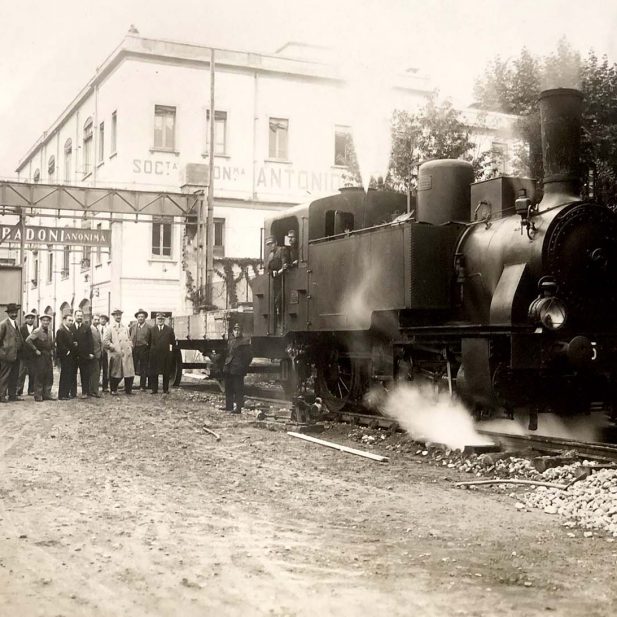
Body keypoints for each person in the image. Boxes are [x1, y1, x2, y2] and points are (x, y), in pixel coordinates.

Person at [221, 322, 253, 414]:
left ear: (241, 331)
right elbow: (227, 353)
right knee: (228, 388)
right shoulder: (230, 341)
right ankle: (229, 406)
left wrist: (243, 366)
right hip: (229, 367)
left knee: (238, 389)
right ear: (233, 331)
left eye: (238, 330)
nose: (237, 332)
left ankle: (238, 408)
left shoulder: (244, 342)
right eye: (235, 330)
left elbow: (249, 356)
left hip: (238, 369)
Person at [103, 308, 135, 395]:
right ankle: (113, 389)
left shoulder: (125, 327)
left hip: (126, 353)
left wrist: (130, 346)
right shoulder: (110, 328)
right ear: (113, 316)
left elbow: (129, 338)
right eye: (116, 315)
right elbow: (105, 341)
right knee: (116, 373)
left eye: (119, 315)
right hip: (116, 354)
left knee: (129, 372)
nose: (118, 316)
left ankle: (128, 390)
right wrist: (113, 347)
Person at [25, 313, 55, 402]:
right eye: (44, 320)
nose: (46, 322)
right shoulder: (37, 331)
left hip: (48, 355)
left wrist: (52, 351)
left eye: (47, 320)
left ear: (49, 322)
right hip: (40, 356)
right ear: (41, 321)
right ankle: (38, 395)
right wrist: (35, 350)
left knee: (49, 375)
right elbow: (28, 340)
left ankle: (47, 394)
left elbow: (51, 343)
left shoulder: (49, 331)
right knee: (40, 375)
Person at [0, 303, 25, 402]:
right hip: (6, 356)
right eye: (12, 313)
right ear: (8, 313)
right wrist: (3, 352)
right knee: (4, 376)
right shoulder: (3, 324)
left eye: (15, 312)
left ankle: (12, 395)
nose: (14, 314)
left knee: (14, 376)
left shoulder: (16, 323)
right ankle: (1, 396)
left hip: (16, 355)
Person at [148, 312, 176, 394]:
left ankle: (165, 389)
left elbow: (172, 342)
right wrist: (152, 351)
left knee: (166, 372)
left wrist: (170, 353)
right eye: (159, 319)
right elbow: (149, 342)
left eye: (162, 319)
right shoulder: (152, 330)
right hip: (155, 354)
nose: (160, 320)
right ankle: (154, 389)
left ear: (164, 320)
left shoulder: (169, 330)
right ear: (156, 319)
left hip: (165, 354)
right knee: (154, 372)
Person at [56, 313, 78, 400]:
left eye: (72, 321)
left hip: (70, 356)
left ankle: (66, 393)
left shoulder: (69, 330)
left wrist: (73, 344)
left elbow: (69, 342)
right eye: (69, 320)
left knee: (69, 374)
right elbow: (60, 343)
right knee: (65, 375)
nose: (71, 322)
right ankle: (62, 395)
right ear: (64, 320)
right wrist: (67, 351)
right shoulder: (61, 330)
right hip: (65, 356)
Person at [73, 309, 95, 397]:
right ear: (75, 316)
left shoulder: (86, 327)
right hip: (74, 355)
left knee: (85, 374)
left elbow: (90, 341)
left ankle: (85, 392)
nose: (79, 317)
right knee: (72, 374)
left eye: (81, 316)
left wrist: (91, 352)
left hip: (84, 355)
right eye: (78, 316)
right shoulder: (71, 327)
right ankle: (73, 392)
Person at [130, 308, 152, 391]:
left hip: (144, 349)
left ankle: (142, 386)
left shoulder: (149, 328)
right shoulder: (133, 327)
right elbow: (130, 337)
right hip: (135, 349)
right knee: (132, 367)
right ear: (137, 318)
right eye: (139, 317)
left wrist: (147, 348)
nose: (140, 318)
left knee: (144, 368)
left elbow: (151, 340)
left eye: (142, 317)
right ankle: (129, 385)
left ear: (145, 318)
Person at [17, 310, 37, 396]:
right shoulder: (21, 329)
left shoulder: (36, 329)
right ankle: (19, 390)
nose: (30, 319)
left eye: (32, 318)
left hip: (33, 355)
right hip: (23, 355)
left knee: (33, 373)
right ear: (26, 319)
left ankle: (31, 390)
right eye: (28, 318)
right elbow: (19, 341)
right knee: (21, 373)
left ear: (34, 319)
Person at [89, 315, 103, 398]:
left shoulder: (98, 329)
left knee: (96, 373)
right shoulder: (90, 329)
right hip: (93, 354)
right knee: (95, 373)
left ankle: (92, 390)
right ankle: (94, 391)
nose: (97, 321)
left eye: (98, 320)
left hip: (99, 354)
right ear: (92, 320)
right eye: (95, 319)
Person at [98, 314, 110, 392]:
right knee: (97, 369)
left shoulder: (108, 328)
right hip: (98, 351)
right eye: (101, 319)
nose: (103, 320)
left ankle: (105, 386)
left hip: (106, 351)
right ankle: (96, 386)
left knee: (106, 369)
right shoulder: (96, 328)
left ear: (106, 321)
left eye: (104, 319)